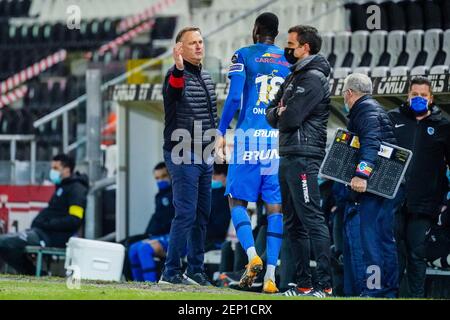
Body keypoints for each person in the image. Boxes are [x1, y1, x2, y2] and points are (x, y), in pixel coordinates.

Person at [215, 12, 290, 294]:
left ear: (256, 29)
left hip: (248, 138)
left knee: (237, 201)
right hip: (275, 141)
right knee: (274, 208)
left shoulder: (243, 55)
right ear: (277, 33)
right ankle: (270, 275)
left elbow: (235, 98)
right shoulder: (287, 60)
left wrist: (222, 130)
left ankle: (251, 256)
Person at [266, 25, 333, 297]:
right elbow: (271, 114)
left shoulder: (313, 77)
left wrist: (282, 111)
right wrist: (280, 111)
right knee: (293, 222)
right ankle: (303, 283)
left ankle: (325, 286)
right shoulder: (294, 76)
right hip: (289, 154)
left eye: (291, 44)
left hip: (304, 157)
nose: (287, 48)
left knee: (312, 219)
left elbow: (290, 118)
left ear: (305, 47)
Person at [160, 26, 218, 286]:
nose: (198, 46)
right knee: (185, 213)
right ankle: (170, 272)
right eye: (192, 42)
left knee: (201, 214)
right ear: (179, 48)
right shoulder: (175, 76)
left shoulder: (206, 77)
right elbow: (173, 91)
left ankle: (195, 270)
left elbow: (211, 116)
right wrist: (178, 68)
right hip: (182, 153)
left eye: (200, 41)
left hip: (204, 154)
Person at [388, 76, 450, 297]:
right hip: (393, 199)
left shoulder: (443, 126)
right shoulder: (392, 118)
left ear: (431, 98)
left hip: (426, 203)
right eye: (415, 94)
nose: (419, 98)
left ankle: (416, 296)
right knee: (394, 253)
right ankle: (390, 295)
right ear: (408, 95)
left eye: (423, 95)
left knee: (417, 253)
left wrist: (445, 201)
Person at [341, 73, 398, 298]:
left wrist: (361, 175)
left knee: (371, 240)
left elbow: (371, 143)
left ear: (349, 93)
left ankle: (373, 290)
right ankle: (389, 291)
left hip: (375, 186)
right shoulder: (373, 109)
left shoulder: (365, 111)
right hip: (386, 184)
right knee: (384, 240)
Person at [0, 154, 88, 275]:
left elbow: (74, 220)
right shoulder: (62, 187)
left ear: (67, 169)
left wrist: (48, 224)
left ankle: (35, 274)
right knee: (4, 242)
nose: (53, 171)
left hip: (52, 237)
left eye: (56, 168)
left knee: (5, 243)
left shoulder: (76, 189)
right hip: (41, 233)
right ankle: (34, 273)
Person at [128, 162, 175, 282]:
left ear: (171, 175)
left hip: (178, 237)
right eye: (157, 178)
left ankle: (151, 285)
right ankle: (138, 285)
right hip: (161, 236)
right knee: (133, 249)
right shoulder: (159, 196)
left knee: (144, 249)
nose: (160, 181)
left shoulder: (179, 193)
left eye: (164, 176)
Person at [205, 163, 231, 252]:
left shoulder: (223, 195)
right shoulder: (212, 193)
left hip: (215, 240)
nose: (212, 177)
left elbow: (220, 227)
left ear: (225, 176)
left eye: (215, 174)